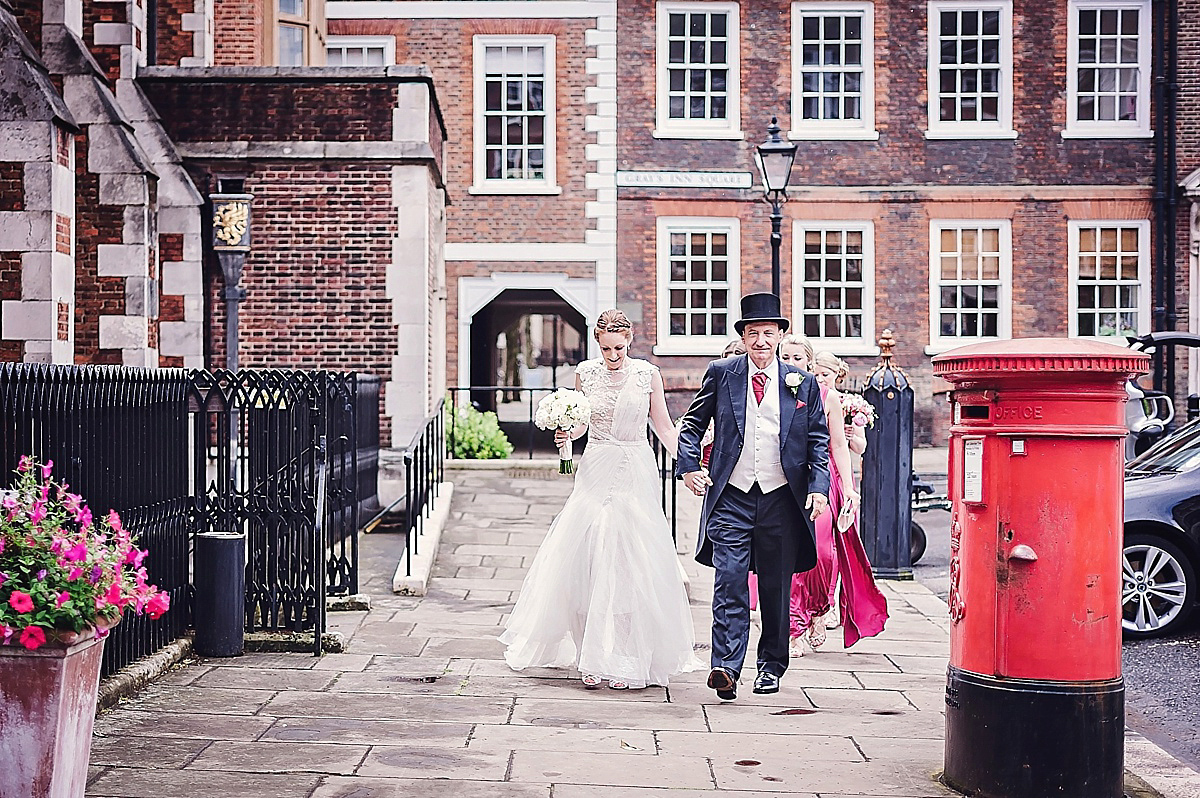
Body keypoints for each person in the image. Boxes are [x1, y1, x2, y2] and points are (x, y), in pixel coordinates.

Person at [500, 310, 702, 690]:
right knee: (588, 557)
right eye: (606, 348)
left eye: (619, 347)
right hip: (596, 466)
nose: (613, 355)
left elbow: (663, 427)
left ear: (629, 340)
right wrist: (567, 436)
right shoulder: (586, 374)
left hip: (635, 469)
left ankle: (627, 655)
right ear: (597, 342)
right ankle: (588, 656)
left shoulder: (647, 375)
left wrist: (689, 464)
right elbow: (581, 420)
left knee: (630, 561)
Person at [676, 293, 830, 701]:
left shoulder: (803, 383)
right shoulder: (721, 373)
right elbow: (691, 426)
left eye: (768, 333)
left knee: (775, 588)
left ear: (780, 335)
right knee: (728, 582)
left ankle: (770, 666)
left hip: (781, 498)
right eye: (752, 333)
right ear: (742, 337)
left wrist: (818, 489)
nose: (760, 340)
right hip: (732, 497)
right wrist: (690, 467)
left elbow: (818, 441)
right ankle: (725, 667)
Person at [789, 350, 888, 654]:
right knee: (788, 557)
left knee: (822, 552)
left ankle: (819, 607)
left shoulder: (833, 399)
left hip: (825, 477)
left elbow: (846, 447)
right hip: (789, 478)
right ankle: (792, 628)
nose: (793, 363)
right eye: (787, 357)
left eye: (797, 357)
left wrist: (848, 487)